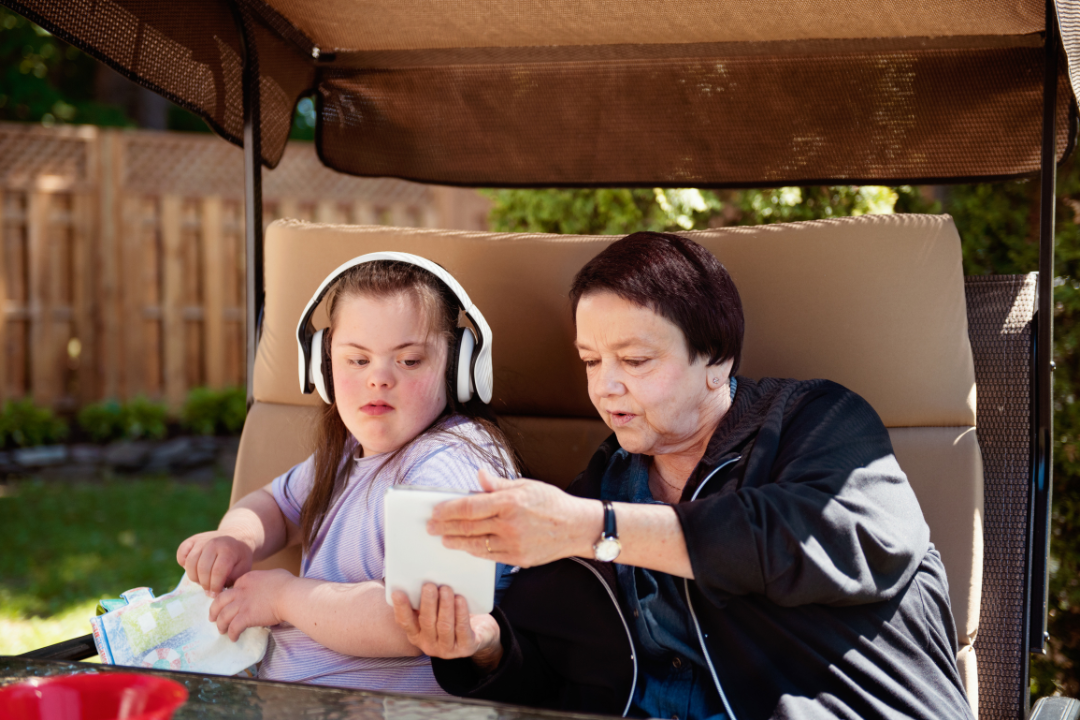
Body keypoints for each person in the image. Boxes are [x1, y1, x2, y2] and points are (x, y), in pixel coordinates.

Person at [392, 232, 975, 720]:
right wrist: (486, 649)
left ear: (716, 360)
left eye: (637, 361)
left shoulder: (819, 423)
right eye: (591, 361)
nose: (605, 387)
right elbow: (551, 673)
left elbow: (833, 542)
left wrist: (597, 530)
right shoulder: (603, 487)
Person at [176, 257, 518, 693]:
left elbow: (409, 622)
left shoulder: (450, 464)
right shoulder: (345, 456)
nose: (379, 378)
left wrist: (283, 597)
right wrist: (238, 539)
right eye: (357, 360)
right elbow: (276, 506)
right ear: (323, 367)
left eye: (410, 361)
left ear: (458, 369)